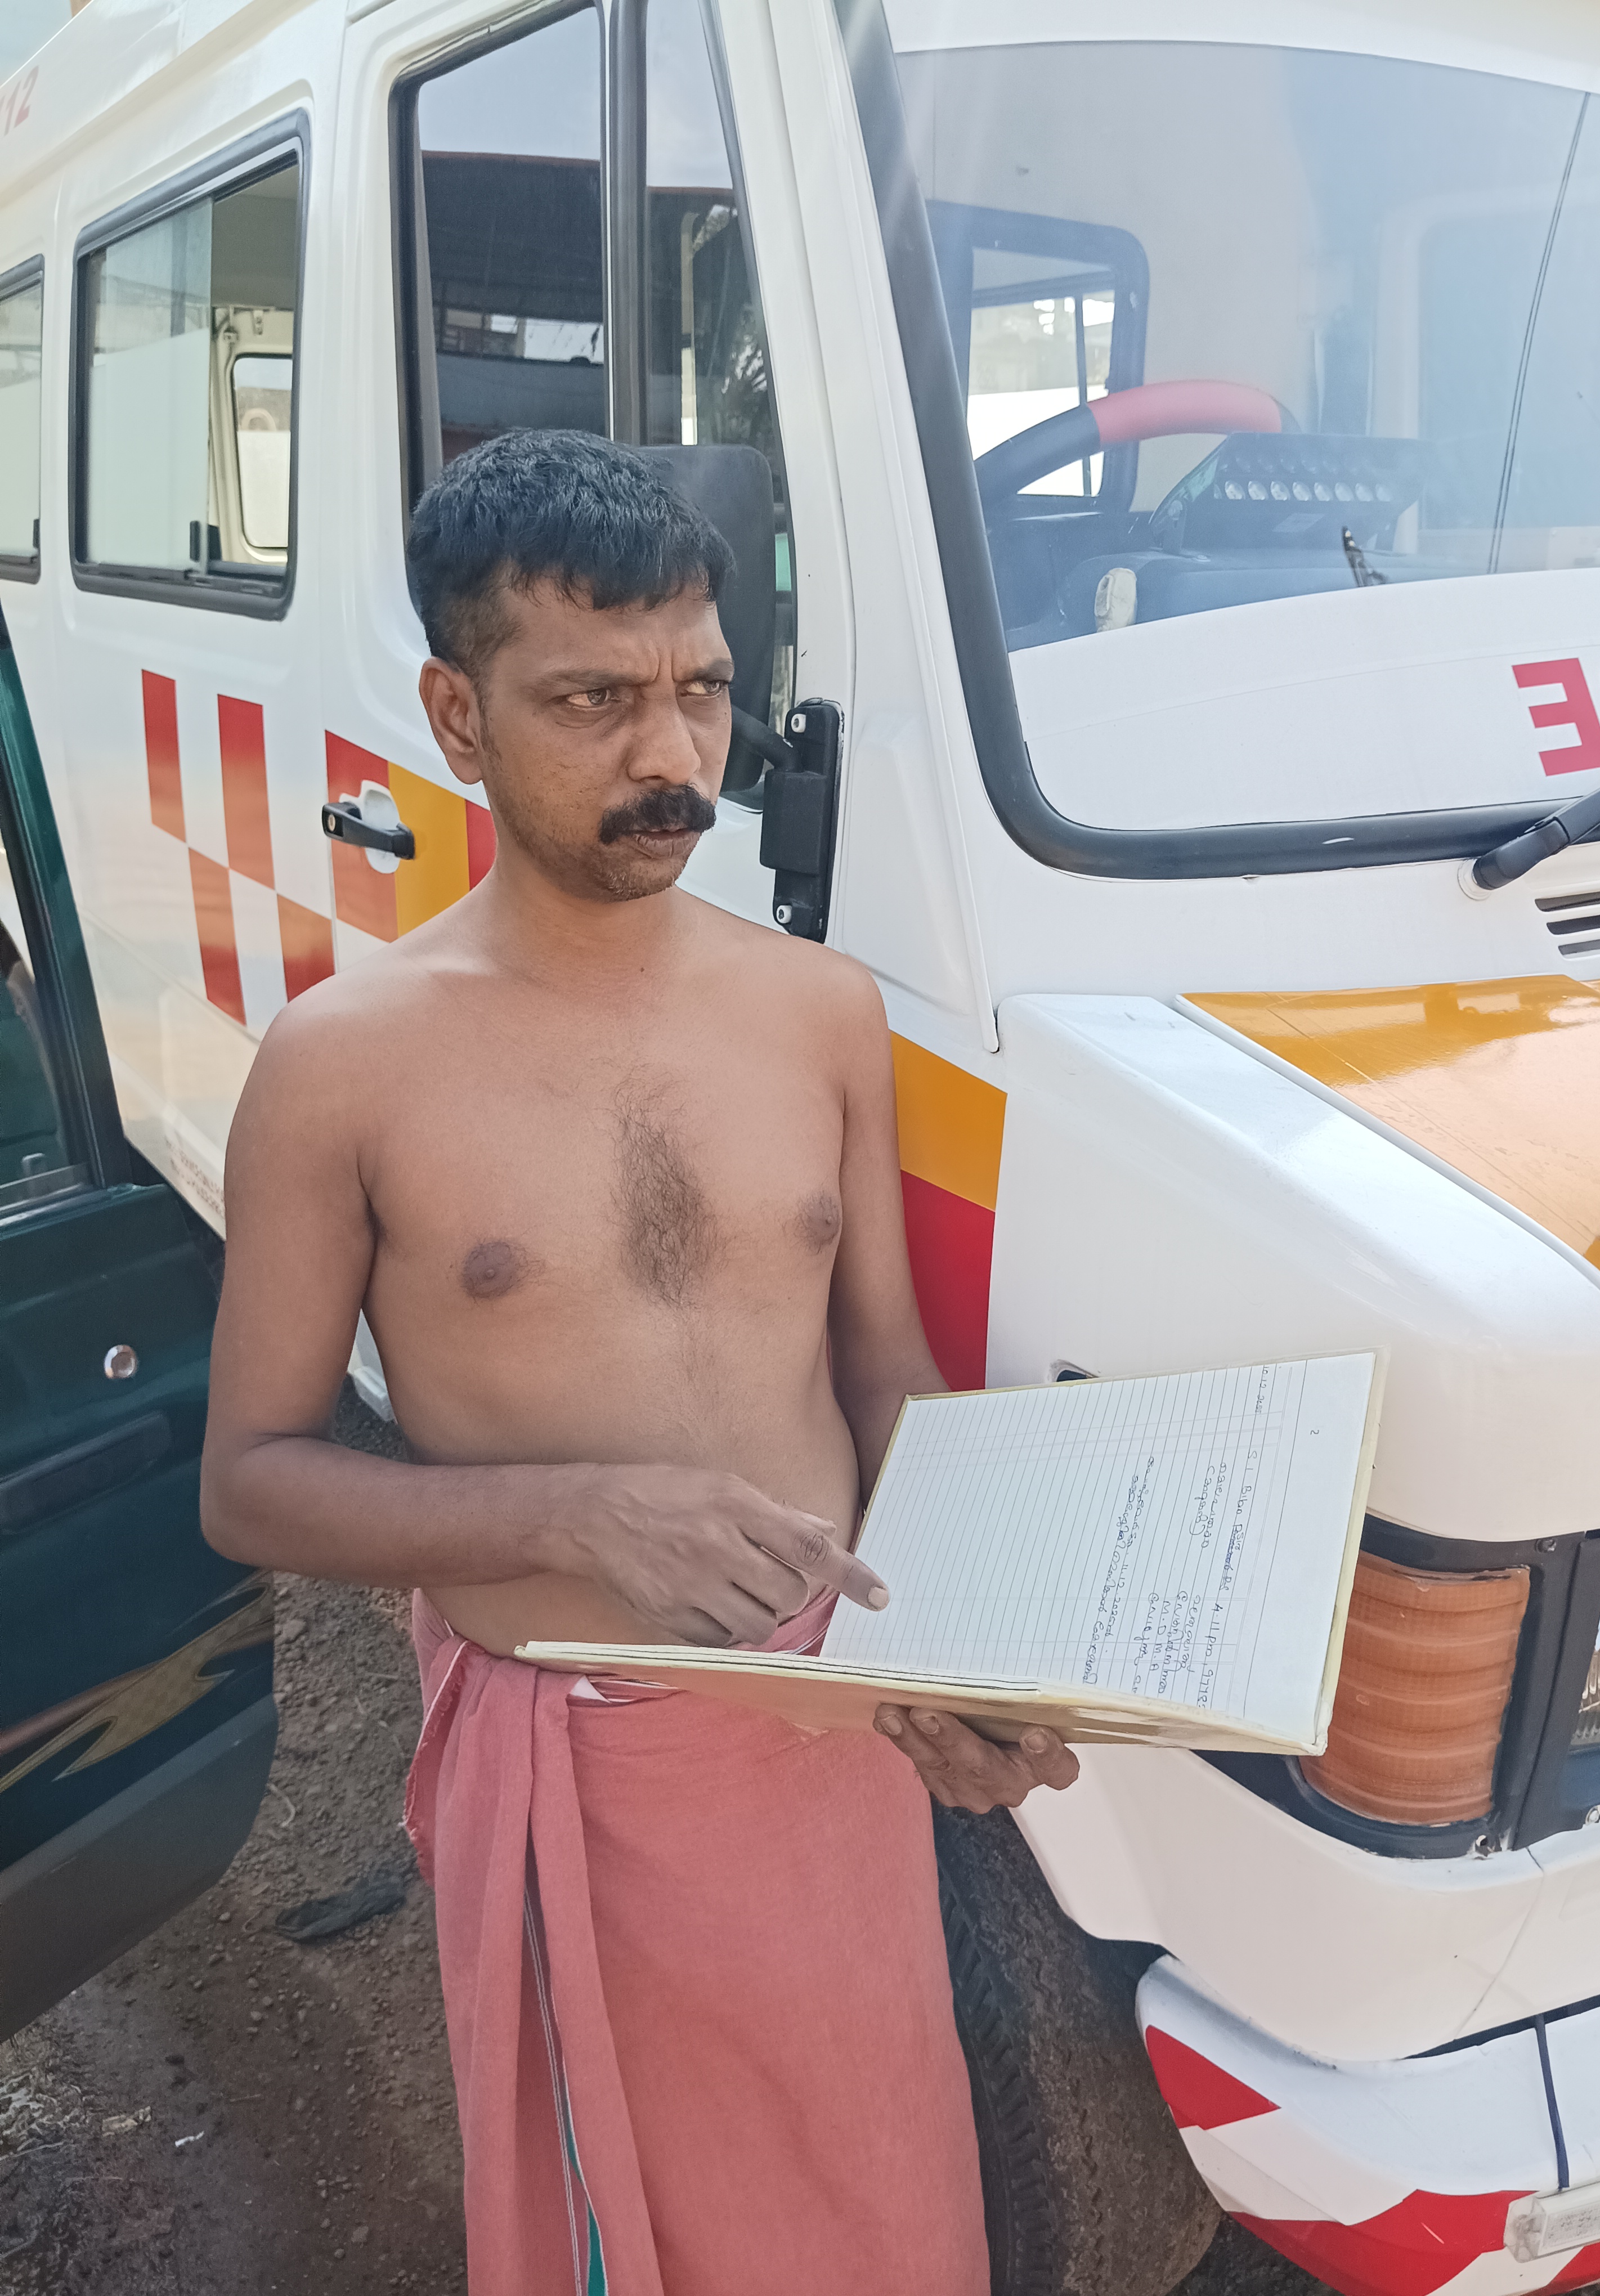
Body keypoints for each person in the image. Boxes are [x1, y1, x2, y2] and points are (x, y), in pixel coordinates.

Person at [200, 429, 1077, 2296]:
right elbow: (254, 1476)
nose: (671, 760)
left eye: (700, 693)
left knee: (879, 2191)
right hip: (584, 1778)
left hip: (834, 1744)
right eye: (592, 702)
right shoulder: (345, 1062)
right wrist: (582, 1509)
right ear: (458, 712)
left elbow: (888, 1379)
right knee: (640, 2238)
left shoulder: (826, 1013)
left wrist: (959, 1653)